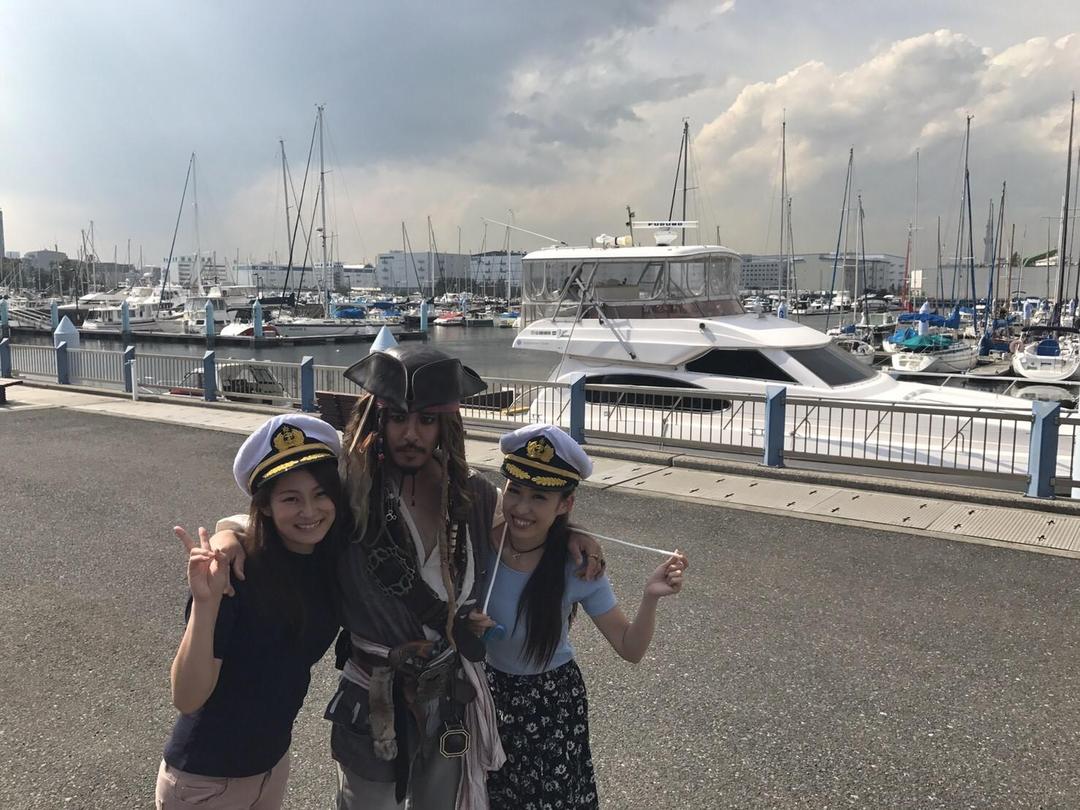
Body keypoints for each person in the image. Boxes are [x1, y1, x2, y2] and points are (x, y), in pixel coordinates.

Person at [211, 344, 604, 810]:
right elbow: (291, 520)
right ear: (379, 419)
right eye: (398, 418)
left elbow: (525, 524)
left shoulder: (474, 496)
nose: (411, 434)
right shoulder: (350, 492)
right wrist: (229, 533)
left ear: (445, 425)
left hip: (450, 694)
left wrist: (571, 533)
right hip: (374, 696)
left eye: (426, 420)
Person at [480, 423, 688, 809]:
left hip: (551, 705)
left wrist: (650, 597)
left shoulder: (576, 567)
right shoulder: (479, 543)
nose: (521, 508)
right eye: (515, 490)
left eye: (539, 497)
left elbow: (629, 647)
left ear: (565, 505)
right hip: (486, 695)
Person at [156, 414, 344, 810]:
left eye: (321, 494)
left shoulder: (329, 558)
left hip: (271, 766)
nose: (310, 510)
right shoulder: (234, 575)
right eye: (290, 498)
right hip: (205, 780)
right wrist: (205, 605)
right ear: (266, 506)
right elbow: (187, 697)